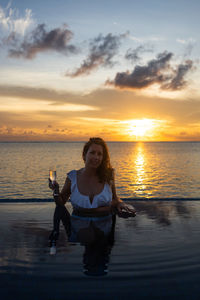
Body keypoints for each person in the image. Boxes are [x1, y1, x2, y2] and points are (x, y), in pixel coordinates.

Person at [48, 137, 136, 249]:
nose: (96, 157)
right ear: (84, 155)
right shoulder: (73, 177)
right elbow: (60, 203)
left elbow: (115, 198)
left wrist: (121, 204)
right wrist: (55, 190)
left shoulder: (108, 176)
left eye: (100, 154)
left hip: (105, 222)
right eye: (92, 153)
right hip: (78, 221)